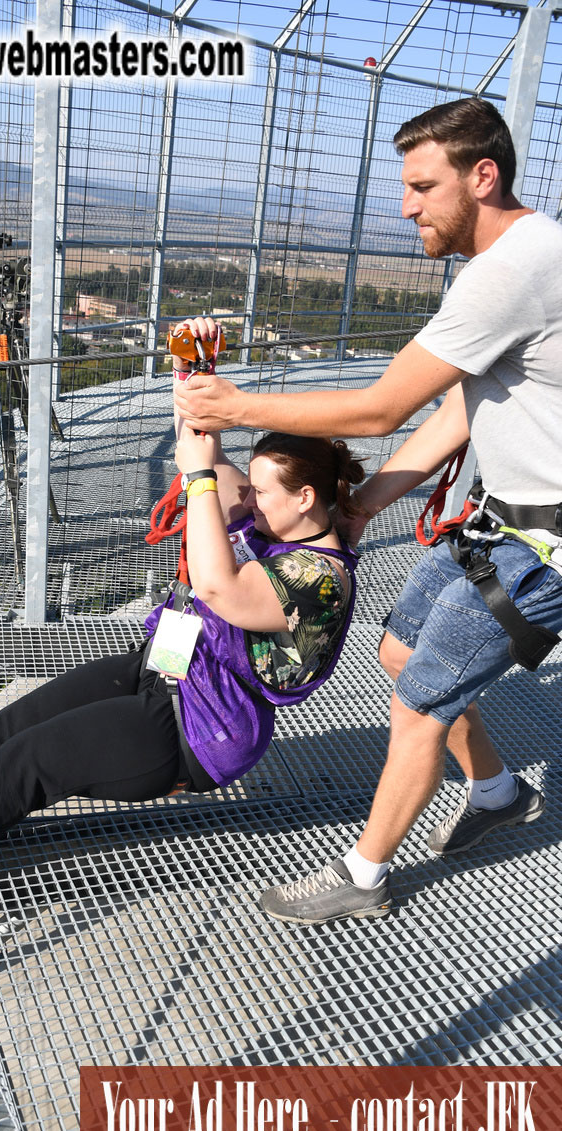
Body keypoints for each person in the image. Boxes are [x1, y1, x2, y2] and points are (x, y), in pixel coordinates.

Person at [174, 97, 562, 925]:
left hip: (544, 543)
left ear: (482, 176)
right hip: (503, 518)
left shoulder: (515, 269)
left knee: (419, 701)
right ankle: (494, 791)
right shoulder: (523, 258)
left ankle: (364, 875)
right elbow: (465, 408)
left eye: (423, 185)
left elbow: (383, 408)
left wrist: (237, 407)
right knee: (401, 649)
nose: (405, 204)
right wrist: (372, 502)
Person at [0, 365, 364, 888]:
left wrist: (202, 483)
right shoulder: (287, 523)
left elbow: (217, 585)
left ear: (305, 498)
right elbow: (204, 453)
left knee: (32, 759)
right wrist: (195, 374)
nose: (252, 501)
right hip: (166, 666)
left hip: (198, 731)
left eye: (261, 492)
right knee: (10, 725)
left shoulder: (319, 582)